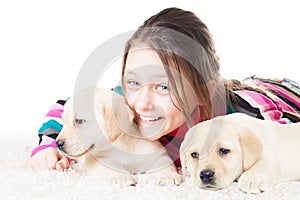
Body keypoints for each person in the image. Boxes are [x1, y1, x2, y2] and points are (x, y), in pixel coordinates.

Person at [25, 7, 300, 172]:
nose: (142, 103)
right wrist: (48, 145)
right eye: (133, 82)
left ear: (202, 93)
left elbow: (288, 142)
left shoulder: (241, 122)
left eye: (163, 86)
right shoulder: (124, 104)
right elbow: (68, 104)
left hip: (275, 94)